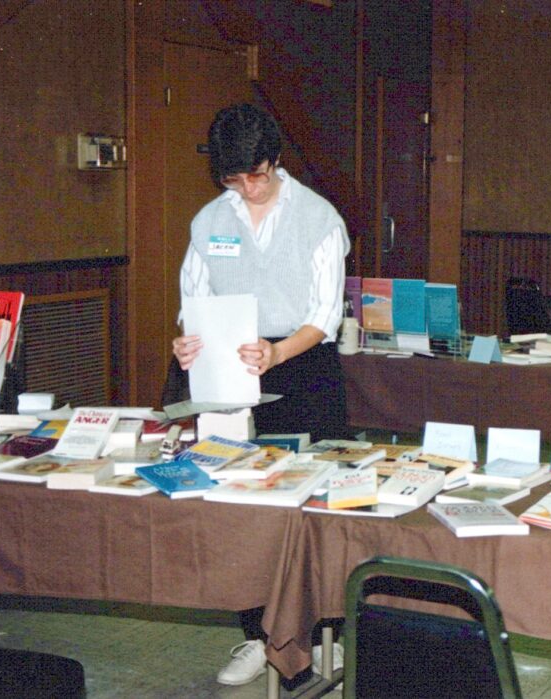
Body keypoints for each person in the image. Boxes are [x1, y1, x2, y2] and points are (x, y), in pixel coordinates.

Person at [171, 103, 350, 686]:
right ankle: (256, 636)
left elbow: (323, 316)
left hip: (301, 365)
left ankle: (322, 636)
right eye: (234, 179)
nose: (248, 189)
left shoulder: (319, 218)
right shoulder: (209, 222)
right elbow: (193, 300)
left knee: (309, 507)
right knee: (239, 506)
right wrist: (187, 344)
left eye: (258, 175)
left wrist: (277, 353)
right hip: (229, 366)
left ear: (275, 161)